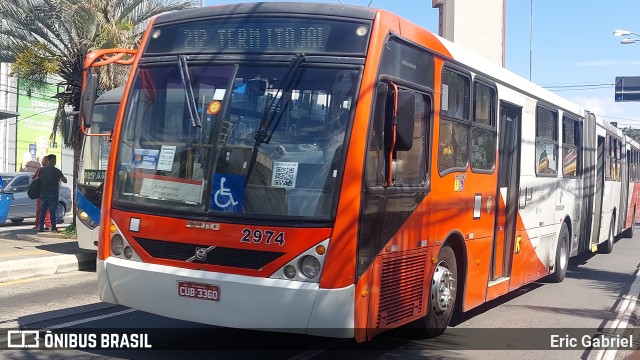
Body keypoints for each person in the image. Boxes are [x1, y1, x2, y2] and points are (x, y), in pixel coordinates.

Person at [38, 154, 67, 232]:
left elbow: (38, 179)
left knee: (43, 211)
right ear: (53, 161)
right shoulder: (56, 171)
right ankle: (53, 228)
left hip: (43, 193)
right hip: (53, 194)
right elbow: (65, 180)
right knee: (52, 212)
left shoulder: (42, 170)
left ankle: (40, 227)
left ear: (48, 160)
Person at [33, 156, 52, 230]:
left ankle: (38, 224)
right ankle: (48, 224)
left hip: (40, 192)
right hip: (49, 192)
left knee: (39, 209)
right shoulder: (51, 170)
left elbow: (35, 178)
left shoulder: (39, 170)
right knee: (48, 209)